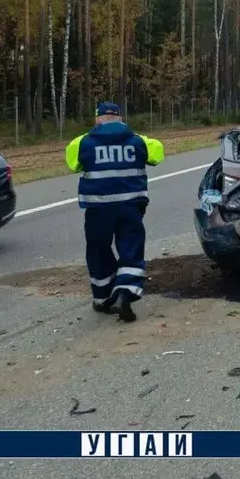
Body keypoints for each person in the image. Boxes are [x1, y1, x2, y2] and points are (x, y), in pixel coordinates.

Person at [65, 102, 165, 322]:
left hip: (98, 209)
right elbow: (158, 155)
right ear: (120, 118)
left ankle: (102, 298)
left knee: (98, 251)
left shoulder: (81, 143)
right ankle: (124, 293)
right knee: (131, 249)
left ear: (97, 119)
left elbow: (73, 165)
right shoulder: (140, 141)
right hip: (131, 208)